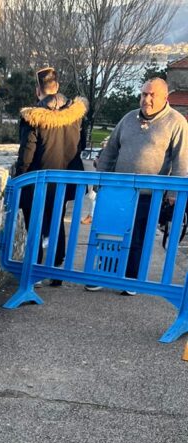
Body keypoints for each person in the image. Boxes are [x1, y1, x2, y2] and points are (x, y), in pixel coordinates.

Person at [88, 78, 188, 294]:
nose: (147, 99)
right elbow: (111, 151)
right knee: (110, 233)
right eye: (144, 94)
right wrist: (99, 181)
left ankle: (131, 280)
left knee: (138, 237)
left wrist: (174, 194)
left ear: (165, 98)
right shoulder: (128, 118)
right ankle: (104, 273)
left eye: (152, 95)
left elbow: (182, 161)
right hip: (118, 190)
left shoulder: (177, 122)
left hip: (149, 193)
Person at [15, 66, 88, 283]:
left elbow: (27, 152)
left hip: (38, 181)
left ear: (38, 90)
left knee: (34, 222)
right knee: (56, 220)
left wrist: (20, 177)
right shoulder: (75, 114)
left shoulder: (34, 117)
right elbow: (80, 145)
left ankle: (36, 268)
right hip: (65, 179)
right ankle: (57, 267)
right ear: (56, 87)